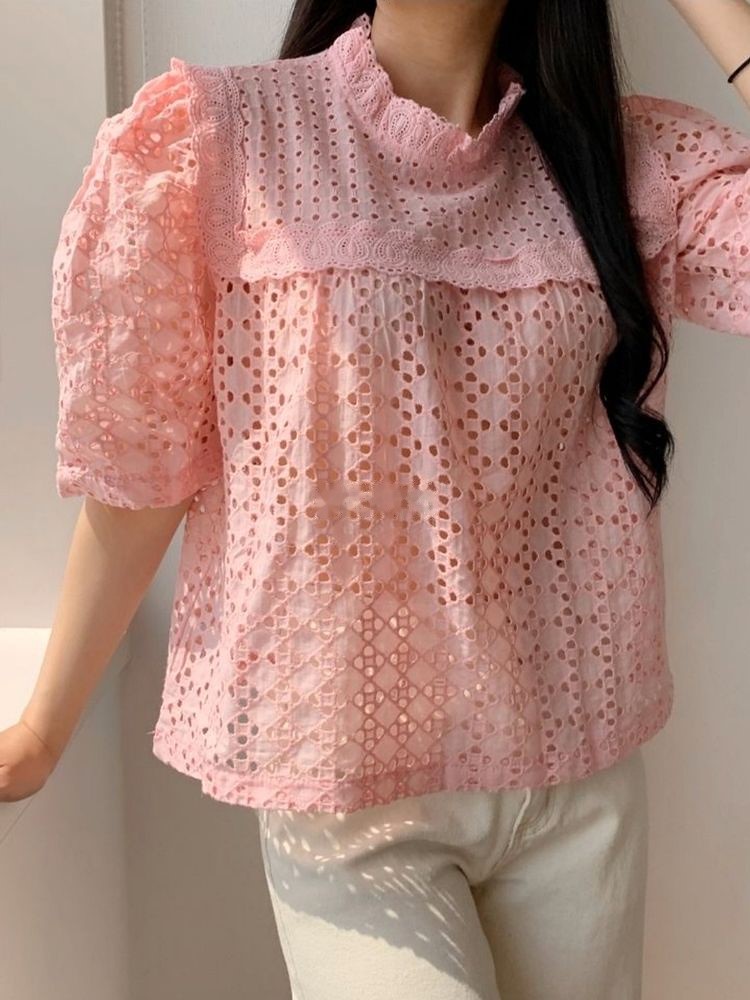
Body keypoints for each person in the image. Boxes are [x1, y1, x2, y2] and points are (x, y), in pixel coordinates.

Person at [2, 1, 749, 997]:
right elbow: (144, 471)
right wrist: (44, 730)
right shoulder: (219, 141)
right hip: (349, 800)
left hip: (577, 778)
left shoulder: (624, 161)